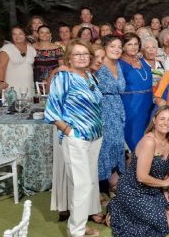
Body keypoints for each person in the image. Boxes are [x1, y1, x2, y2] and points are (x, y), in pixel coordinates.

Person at [44, 40, 103, 237]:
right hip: (76, 137)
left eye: (85, 54)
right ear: (69, 57)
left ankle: (79, 224)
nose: (82, 57)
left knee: (85, 184)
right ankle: (76, 232)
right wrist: (70, 132)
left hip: (94, 137)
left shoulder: (89, 75)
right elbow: (52, 112)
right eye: (77, 54)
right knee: (82, 184)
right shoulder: (63, 77)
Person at [108, 105, 169, 236]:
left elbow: (168, 171)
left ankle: (126, 211)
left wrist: (164, 190)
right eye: (162, 118)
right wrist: (164, 184)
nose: (166, 123)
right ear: (154, 120)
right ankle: (116, 211)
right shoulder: (149, 141)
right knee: (166, 223)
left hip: (154, 189)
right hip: (134, 189)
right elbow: (141, 177)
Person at [95, 35, 126, 196]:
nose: (116, 49)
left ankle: (113, 180)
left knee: (117, 145)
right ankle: (101, 186)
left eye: (119, 47)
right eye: (112, 46)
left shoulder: (118, 64)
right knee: (104, 147)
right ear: (105, 48)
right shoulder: (98, 65)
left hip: (117, 109)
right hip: (102, 109)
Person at [120, 33, 155, 151]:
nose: (133, 47)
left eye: (136, 44)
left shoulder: (142, 60)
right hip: (131, 107)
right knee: (134, 139)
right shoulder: (119, 64)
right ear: (123, 46)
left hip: (149, 105)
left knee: (148, 138)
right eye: (129, 44)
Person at [0, 25, 35, 98]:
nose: (17, 36)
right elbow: (1, 66)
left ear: (25, 35)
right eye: (14, 34)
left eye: (20, 34)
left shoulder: (32, 49)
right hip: (12, 85)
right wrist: (1, 82)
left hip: (28, 83)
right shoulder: (6, 48)